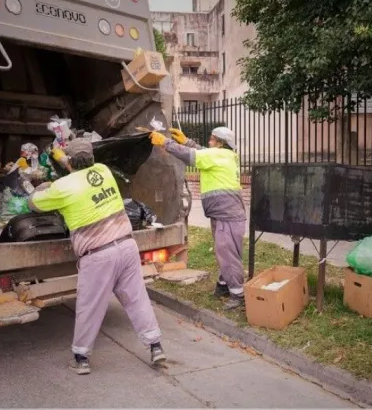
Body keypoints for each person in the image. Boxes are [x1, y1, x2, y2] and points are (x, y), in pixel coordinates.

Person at [28, 138, 166, 375]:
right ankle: (155, 346)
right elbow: (80, 174)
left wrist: (42, 188)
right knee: (136, 298)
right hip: (126, 246)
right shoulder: (103, 171)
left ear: (71, 161)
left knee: (89, 306)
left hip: (98, 255)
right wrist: (63, 158)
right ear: (92, 158)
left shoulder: (63, 187)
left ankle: (81, 358)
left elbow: (34, 205)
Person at [149, 127, 247, 310]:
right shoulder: (225, 155)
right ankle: (224, 286)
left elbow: (190, 156)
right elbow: (201, 152)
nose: (209, 141)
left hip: (227, 214)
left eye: (211, 138)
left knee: (228, 252)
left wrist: (165, 142)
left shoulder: (219, 156)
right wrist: (187, 141)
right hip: (224, 213)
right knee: (225, 251)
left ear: (220, 142)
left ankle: (238, 295)